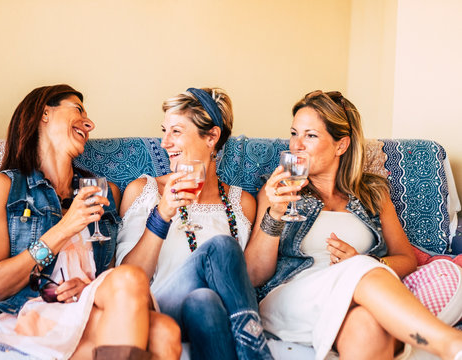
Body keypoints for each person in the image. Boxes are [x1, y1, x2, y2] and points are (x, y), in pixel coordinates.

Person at [245, 90, 462, 360]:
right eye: (294, 133)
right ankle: (451, 344)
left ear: (341, 145)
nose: (296, 145)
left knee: (366, 326)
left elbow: (407, 259)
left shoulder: (372, 193)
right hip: (292, 297)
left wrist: (367, 261)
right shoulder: (276, 190)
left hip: (358, 298)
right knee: (360, 270)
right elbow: (253, 275)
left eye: (310, 135)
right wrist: (274, 215)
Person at [0, 84, 181, 360]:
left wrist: (87, 288)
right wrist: (64, 227)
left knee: (166, 330)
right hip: (27, 313)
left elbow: (113, 280)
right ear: (44, 113)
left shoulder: (102, 192)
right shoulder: (4, 187)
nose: (90, 123)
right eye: (78, 109)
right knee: (160, 330)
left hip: (84, 307)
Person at [116, 87, 273, 360]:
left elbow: (246, 278)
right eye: (164, 130)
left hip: (214, 312)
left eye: (176, 131)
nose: (164, 142)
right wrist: (162, 215)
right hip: (162, 307)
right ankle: (256, 352)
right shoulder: (145, 191)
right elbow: (129, 277)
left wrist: (276, 217)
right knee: (221, 246)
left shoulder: (241, 203)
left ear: (212, 136)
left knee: (205, 301)